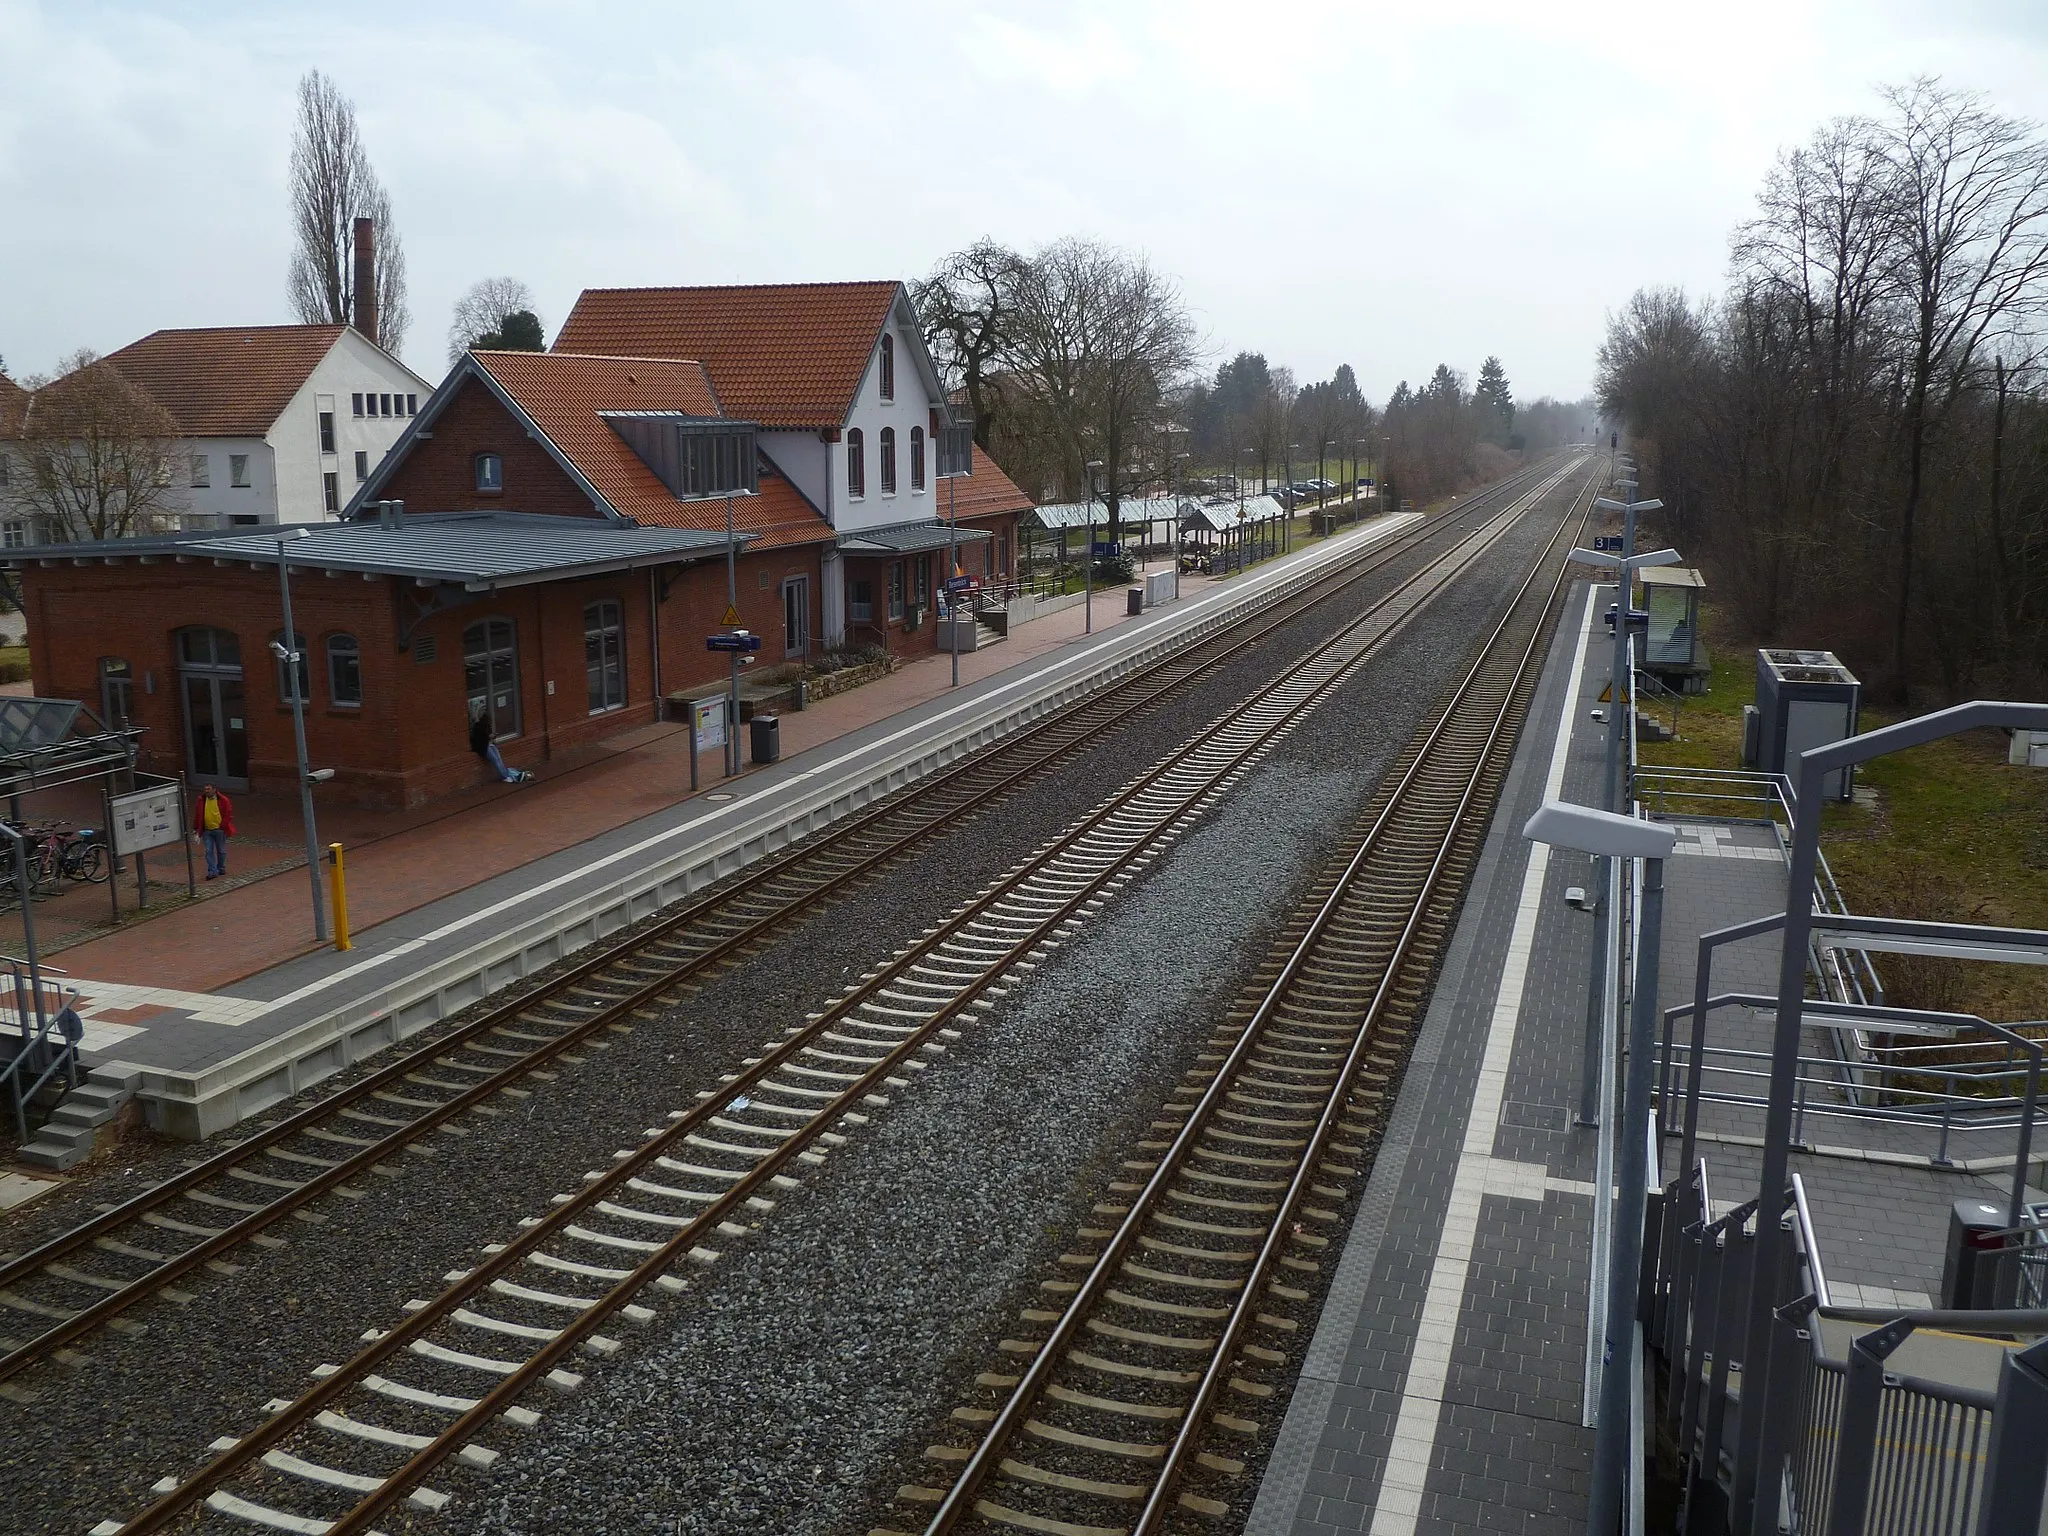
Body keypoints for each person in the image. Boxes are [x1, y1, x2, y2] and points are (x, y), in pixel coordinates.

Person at [468, 702, 530, 785]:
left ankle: (509, 774)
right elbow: (480, 738)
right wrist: (489, 737)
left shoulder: (486, 723)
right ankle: (506, 776)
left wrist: (491, 737)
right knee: (496, 761)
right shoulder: (477, 726)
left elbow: (486, 735)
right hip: (483, 747)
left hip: (489, 744)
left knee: (499, 759)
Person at [192, 782, 234, 880]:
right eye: (205, 789)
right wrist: (196, 828)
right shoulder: (201, 800)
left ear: (214, 790)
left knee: (221, 851)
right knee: (208, 851)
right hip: (207, 830)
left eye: (208, 789)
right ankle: (212, 871)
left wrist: (222, 825)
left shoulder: (223, 800)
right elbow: (198, 814)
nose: (206, 791)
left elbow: (228, 814)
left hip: (219, 829)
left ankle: (221, 867)